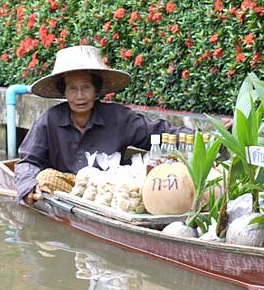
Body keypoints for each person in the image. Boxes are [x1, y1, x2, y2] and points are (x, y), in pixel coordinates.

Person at [15, 45, 229, 205]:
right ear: (64, 92)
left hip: (106, 194)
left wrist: (213, 139)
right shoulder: (49, 120)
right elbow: (28, 161)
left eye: (86, 87)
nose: (80, 96)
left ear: (97, 90)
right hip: (61, 192)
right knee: (44, 177)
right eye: (72, 88)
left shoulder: (118, 118)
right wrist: (27, 186)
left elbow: (163, 134)